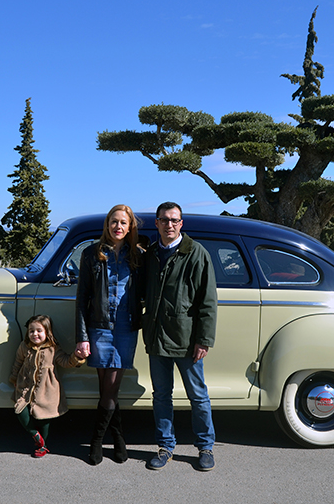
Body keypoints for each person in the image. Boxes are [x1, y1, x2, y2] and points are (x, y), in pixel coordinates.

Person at [142, 201, 217, 471]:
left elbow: (208, 301)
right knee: (161, 395)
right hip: (157, 337)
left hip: (187, 340)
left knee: (198, 395)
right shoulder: (150, 254)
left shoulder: (196, 254)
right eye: (164, 220)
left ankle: (205, 447)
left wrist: (204, 339)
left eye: (174, 220)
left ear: (181, 223)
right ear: (157, 223)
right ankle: (165, 446)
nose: (169, 224)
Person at [75, 204, 143, 465]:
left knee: (110, 388)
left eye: (123, 223)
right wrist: (82, 336)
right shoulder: (92, 254)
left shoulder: (137, 255)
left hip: (126, 328)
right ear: (107, 224)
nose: (118, 227)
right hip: (99, 327)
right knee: (107, 389)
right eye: (114, 222)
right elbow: (82, 298)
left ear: (130, 227)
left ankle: (96, 441)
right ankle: (118, 440)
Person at [10, 314, 85, 458]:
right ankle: (34, 434)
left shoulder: (53, 349)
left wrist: (77, 356)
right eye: (31, 331)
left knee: (44, 419)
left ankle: (43, 445)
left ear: (47, 332)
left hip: (46, 390)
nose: (35, 334)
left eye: (39, 331)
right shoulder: (24, 347)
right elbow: (17, 362)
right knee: (20, 411)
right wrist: (14, 377)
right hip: (25, 387)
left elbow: (65, 362)